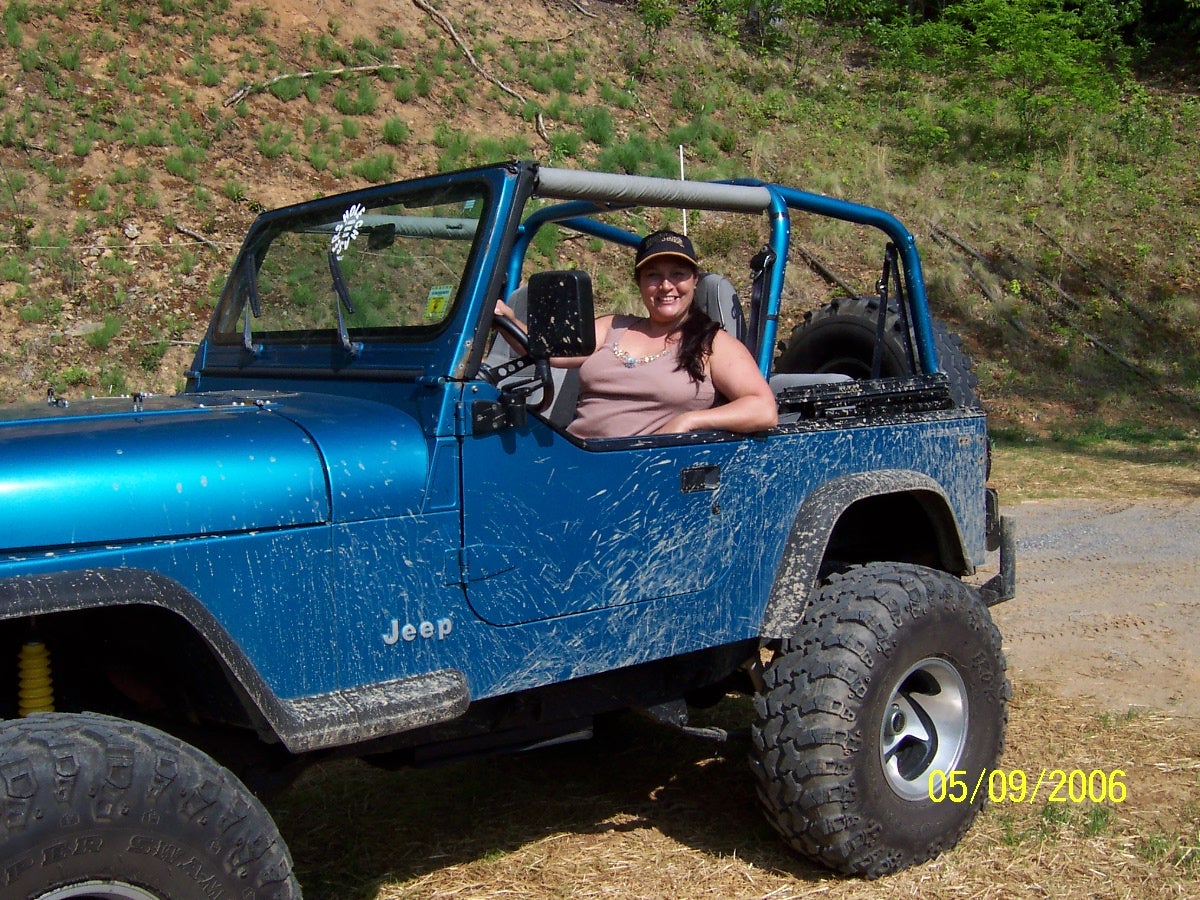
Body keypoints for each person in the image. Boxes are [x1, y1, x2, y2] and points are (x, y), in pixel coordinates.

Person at [493, 229, 778, 440]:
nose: (666, 286)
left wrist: (689, 421)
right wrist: (508, 319)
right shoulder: (612, 326)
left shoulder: (713, 343)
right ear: (640, 283)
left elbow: (763, 409)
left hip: (648, 475)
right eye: (653, 275)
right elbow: (547, 350)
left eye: (677, 274)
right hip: (577, 458)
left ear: (695, 281)